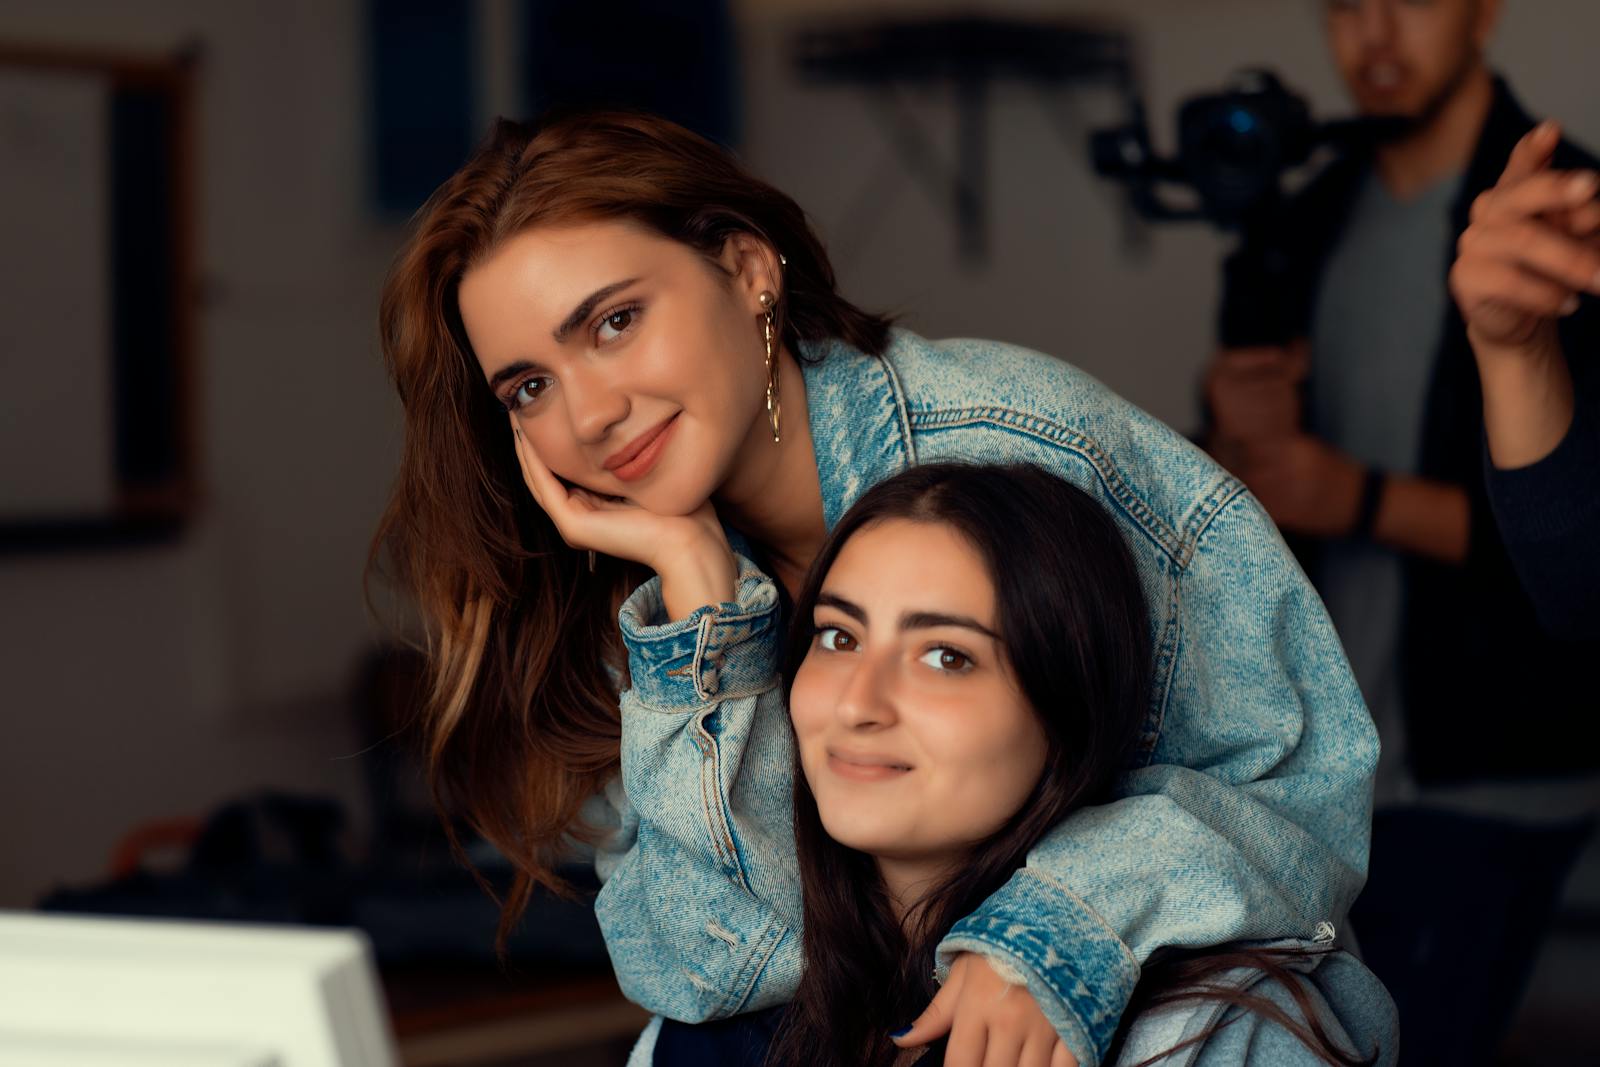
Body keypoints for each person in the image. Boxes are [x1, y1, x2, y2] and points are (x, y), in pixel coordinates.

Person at [373, 109, 1378, 1067]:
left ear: (747, 267)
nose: (588, 412)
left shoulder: (1026, 451)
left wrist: (1057, 929)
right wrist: (697, 606)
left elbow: (1303, 794)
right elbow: (710, 967)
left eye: (614, 322)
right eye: (529, 386)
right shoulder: (625, 591)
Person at [1202, 1, 1599, 1059]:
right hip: (1328, 759)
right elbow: (1240, 498)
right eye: (1344, 4)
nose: (1374, 32)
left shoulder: (1556, 217)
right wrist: (1230, 430)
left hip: (1496, 762)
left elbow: (1580, 543)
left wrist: (1357, 496)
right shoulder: (1302, 216)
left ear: (1482, 11)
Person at [737, 462, 1394, 1067]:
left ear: (1065, 714)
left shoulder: (1222, 1033)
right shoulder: (744, 1004)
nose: (857, 702)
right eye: (839, 636)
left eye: (946, 656)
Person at [1450, 119, 1600, 640]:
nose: (1376, 34)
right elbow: (1580, 592)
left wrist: (1362, 500)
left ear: (1481, 28)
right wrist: (1516, 352)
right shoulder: (1318, 209)